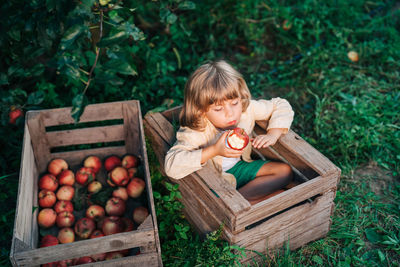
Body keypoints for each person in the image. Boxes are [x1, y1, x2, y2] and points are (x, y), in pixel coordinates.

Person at [164, 60, 294, 205]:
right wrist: (214, 150)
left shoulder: (246, 109)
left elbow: (280, 105)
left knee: (285, 171)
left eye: (234, 103)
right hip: (215, 181)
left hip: (238, 168)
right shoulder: (196, 130)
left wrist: (273, 134)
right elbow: (171, 166)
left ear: (241, 96)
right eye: (218, 109)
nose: (230, 114)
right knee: (215, 198)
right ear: (201, 110)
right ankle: (238, 204)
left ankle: (240, 203)